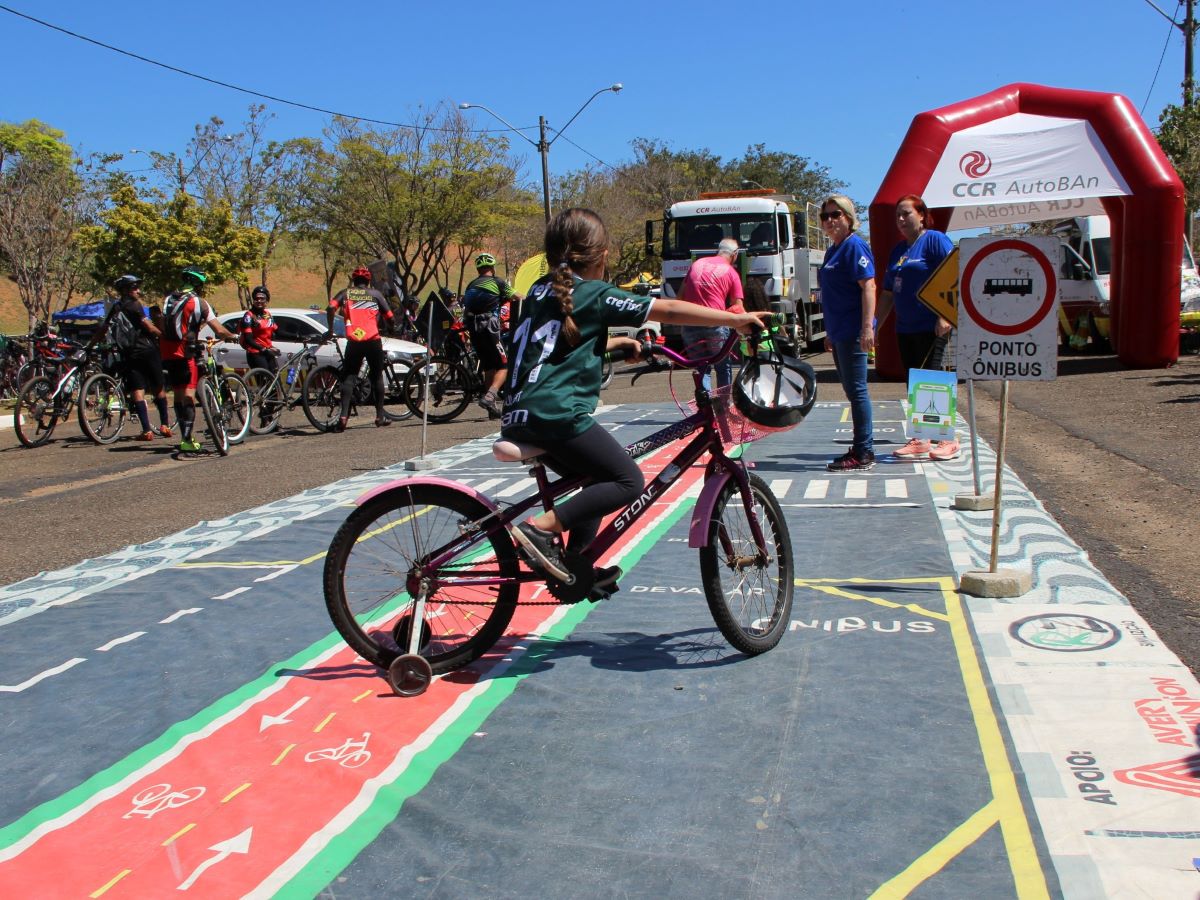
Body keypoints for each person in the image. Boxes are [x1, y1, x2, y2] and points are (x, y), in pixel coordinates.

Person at [502, 208, 768, 591]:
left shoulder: (540, 292)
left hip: (521, 412)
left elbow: (552, 351)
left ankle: (572, 568)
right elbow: (670, 308)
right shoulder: (591, 292)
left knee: (596, 480)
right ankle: (540, 530)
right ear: (602, 255)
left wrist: (612, 346)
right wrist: (732, 320)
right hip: (556, 414)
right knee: (628, 480)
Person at [880, 194, 959, 461]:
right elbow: (888, 293)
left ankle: (949, 439)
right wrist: (874, 324)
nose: (901, 220)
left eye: (906, 214)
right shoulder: (898, 251)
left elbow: (954, 274)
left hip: (932, 325)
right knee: (916, 383)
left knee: (935, 381)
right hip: (906, 327)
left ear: (922, 215)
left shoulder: (934, 240)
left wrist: (945, 315)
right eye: (898, 216)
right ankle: (922, 438)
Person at [817, 194, 877, 472]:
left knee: (857, 390)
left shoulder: (855, 247)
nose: (830, 221)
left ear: (849, 218)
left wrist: (867, 327)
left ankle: (864, 451)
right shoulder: (833, 250)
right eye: (825, 216)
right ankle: (860, 445)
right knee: (851, 390)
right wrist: (829, 332)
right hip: (839, 331)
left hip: (853, 330)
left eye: (836, 215)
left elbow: (869, 287)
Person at [155, 266, 237, 454]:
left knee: (178, 392)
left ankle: (185, 436)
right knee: (190, 394)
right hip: (186, 350)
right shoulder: (199, 302)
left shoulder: (168, 299)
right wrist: (232, 336)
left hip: (167, 350)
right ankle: (186, 440)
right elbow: (219, 330)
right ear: (199, 284)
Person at [327, 265, 395, 431]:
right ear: (368, 280)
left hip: (355, 341)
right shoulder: (376, 294)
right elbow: (390, 316)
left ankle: (343, 416)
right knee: (377, 377)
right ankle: (379, 416)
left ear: (353, 280)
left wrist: (330, 329)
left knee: (348, 377)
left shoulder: (345, 293)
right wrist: (391, 329)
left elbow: (330, 307)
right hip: (372, 340)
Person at [106, 275, 171, 441]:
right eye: (135, 288)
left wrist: (90, 345)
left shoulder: (116, 307)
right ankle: (165, 425)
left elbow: (103, 329)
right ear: (126, 290)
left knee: (137, 390)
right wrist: (165, 336)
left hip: (129, 353)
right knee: (158, 387)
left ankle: (146, 430)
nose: (138, 291)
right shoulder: (135, 305)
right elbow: (148, 326)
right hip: (147, 350)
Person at [677, 237, 745, 390]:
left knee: (701, 368)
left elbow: (679, 297)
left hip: (690, 323)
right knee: (722, 367)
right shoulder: (732, 273)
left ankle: (705, 406)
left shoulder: (697, 264)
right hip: (715, 324)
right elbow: (737, 308)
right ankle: (724, 406)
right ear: (735, 254)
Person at [461, 252, 518, 418]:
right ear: (492, 268)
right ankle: (490, 395)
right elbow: (516, 296)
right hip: (490, 326)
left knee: (488, 367)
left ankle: (491, 409)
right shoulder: (497, 282)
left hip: (473, 328)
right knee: (504, 365)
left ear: (479, 269)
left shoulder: (471, 285)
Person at [240, 286, 280, 373]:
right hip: (256, 353)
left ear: (267, 300)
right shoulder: (249, 315)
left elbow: (278, 331)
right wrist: (263, 349)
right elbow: (248, 339)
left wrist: (298, 336)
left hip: (268, 351)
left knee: (276, 380)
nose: (259, 301)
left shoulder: (267, 314)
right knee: (266, 379)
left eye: (262, 299)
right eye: (256, 298)